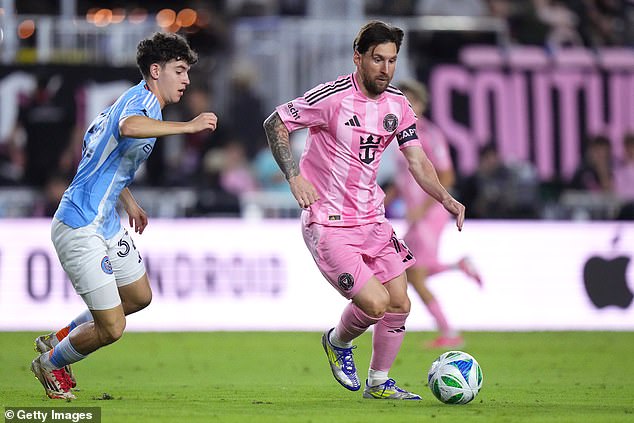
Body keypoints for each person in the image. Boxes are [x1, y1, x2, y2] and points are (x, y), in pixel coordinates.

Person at [263, 20, 465, 400]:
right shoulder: (332, 97)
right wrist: (293, 177)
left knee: (401, 303)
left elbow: (418, 162)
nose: (385, 69)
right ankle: (338, 342)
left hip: (373, 220)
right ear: (358, 58)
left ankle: (378, 384)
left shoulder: (399, 106)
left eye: (391, 61)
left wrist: (445, 197)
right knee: (375, 303)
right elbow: (275, 122)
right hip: (329, 222)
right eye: (377, 59)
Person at [30, 32, 218, 400]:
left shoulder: (134, 101)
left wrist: (127, 201)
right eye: (179, 71)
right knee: (113, 327)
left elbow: (97, 147)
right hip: (80, 224)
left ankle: (59, 338)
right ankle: (50, 362)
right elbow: (127, 129)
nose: (186, 80)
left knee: (138, 296)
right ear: (155, 70)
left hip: (106, 221)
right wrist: (188, 126)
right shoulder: (139, 106)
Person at [386, 80, 482, 349]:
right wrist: (382, 201)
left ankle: (449, 332)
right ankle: (458, 266)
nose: (404, 106)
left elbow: (447, 176)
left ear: (421, 105)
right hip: (416, 214)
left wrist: (424, 208)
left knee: (413, 273)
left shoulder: (429, 134)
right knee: (412, 270)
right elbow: (401, 180)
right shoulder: (396, 135)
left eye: (410, 101)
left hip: (430, 214)